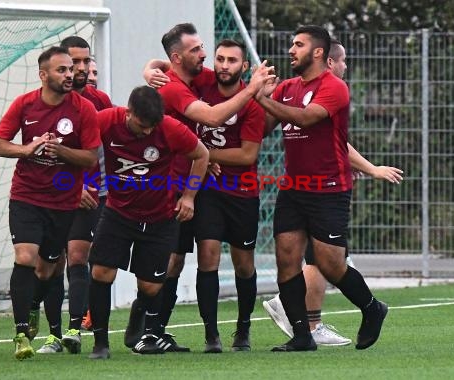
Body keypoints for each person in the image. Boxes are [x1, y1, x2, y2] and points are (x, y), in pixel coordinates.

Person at [123, 23, 274, 353]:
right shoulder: (178, 89)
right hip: (173, 187)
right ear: (180, 57)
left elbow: (248, 152)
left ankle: (157, 329)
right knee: (175, 258)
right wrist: (203, 158)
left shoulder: (200, 79)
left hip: (211, 187)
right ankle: (153, 328)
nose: (211, 59)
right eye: (199, 51)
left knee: (181, 259)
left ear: (242, 66)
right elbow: (212, 117)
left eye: (225, 58)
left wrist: (151, 67)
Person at [262, 39, 403, 346]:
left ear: (317, 52)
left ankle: (372, 308)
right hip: (293, 188)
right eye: (291, 44)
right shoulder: (285, 87)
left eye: (298, 44)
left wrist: (261, 98)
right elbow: (261, 128)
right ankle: (303, 336)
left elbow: (304, 118)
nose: (290, 50)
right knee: (287, 259)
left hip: (329, 190)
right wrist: (254, 93)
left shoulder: (335, 87)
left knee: (330, 263)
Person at [0, 46, 100, 360]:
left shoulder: (84, 110)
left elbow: (91, 157)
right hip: (26, 196)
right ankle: (21, 332)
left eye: (71, 69)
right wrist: (27, 149)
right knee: (25, 256)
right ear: (43, 75)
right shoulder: (24, 105)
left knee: (47, 269)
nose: (70, 75)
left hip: (63, 203)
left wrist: (59, 151)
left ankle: (32, 306)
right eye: (62, 70)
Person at [87, 85, 209, 359]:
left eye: (152, 127)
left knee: (151, 287)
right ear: (128, 113)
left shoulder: (170, 128)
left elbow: (202, 155)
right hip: (118, 213)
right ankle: (100, 343)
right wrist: (82, 184)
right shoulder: (106, 120)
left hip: (160, 216)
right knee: (100, 273)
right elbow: (82, 149)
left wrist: (189, 197)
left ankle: (139, 312)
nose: (147, 132)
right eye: (142, 126)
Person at [29, 36, 113, 355]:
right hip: (53, 194)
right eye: (74, 62)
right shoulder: (43, 104)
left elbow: (109, 146)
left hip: (92, 195)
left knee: (78, 257)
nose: (80, 68)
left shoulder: (100, 101)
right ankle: (51, 335)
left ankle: (74, 329)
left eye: (85, 61)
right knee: (50, 263)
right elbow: (39, 154)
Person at [189, 39, 264, 353]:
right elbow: (166, 67)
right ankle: (211, 335)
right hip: (208, 191)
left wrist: (207, 155)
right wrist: (151, 69)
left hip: (243, 193)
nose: (224, 65)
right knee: (207, 256)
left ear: (243, 67)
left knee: (243, 264)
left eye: (232, 61)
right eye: (219, 59)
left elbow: (248, 154)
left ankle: (243, 329)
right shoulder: (202, 84)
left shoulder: (253, 105)